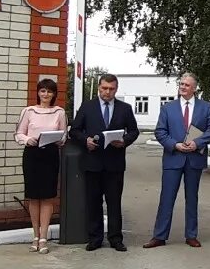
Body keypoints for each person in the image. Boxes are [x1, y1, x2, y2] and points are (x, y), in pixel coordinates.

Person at [148, 72, 210, 248]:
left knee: (192, 198)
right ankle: (159, 236)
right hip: (173, 158)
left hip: (194, 159)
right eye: (181, 84)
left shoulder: (206, 107)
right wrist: (174, 145)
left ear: (194, 88)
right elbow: (160, 132)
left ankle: (191, 235)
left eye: (187, 85)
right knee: (166, 197)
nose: (183, 87)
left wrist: (197, 143)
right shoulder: (168, 108)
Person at [70, 72, 140, 252]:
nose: (107, 92)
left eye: (111, 89)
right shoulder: (87, 107)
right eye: (104, 88)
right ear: (99, 88)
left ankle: (116, 238)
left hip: (114, 163)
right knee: (93, 202)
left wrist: (124, 141)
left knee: (114, 202)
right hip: (92, 161)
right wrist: (85, 140)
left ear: (116, 89)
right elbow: (75, 130)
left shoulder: (125, 108)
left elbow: (134, 131)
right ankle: (95, 238)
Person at [14, 78, 66, 254]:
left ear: (54, 94)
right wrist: (28, 139)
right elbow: (19, 133)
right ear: (38, 92)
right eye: (43, 91)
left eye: (49, 91)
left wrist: (57, 138)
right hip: (32, 154)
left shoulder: (59, 112)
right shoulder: (28, 111)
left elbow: (64, 136)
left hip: (50, 154)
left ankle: (44, 236)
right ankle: (35, 235)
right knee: (34, 196)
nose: (46, 94)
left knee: (48, 197)